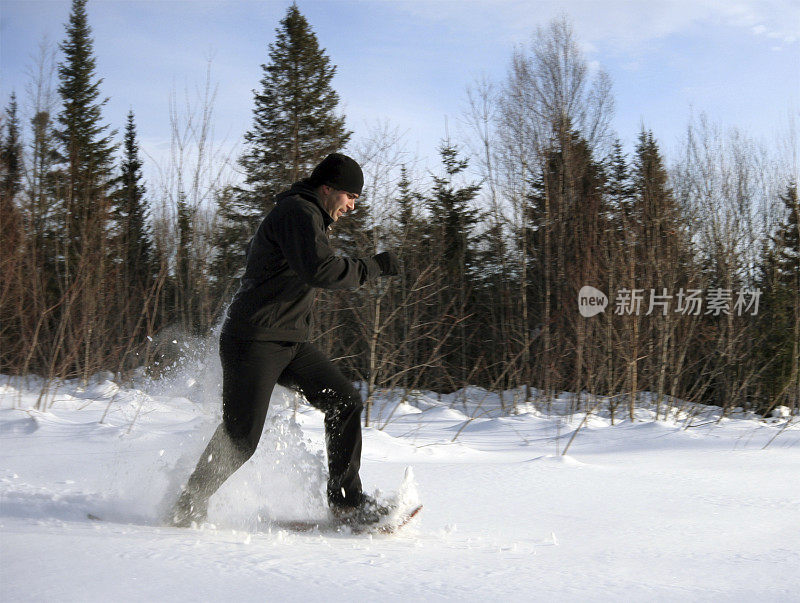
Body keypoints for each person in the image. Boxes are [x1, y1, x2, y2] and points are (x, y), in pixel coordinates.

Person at [172, 153, 400, 527]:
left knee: (344, 401)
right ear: (327, 188)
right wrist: (372, 267)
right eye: (350, 196)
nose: (352, 206)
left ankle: (347, 504)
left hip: (288, 342)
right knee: (241, 437)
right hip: (254, 340)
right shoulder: (298, 212)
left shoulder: (309, 217)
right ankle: (188, 504)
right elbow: (320, 270)